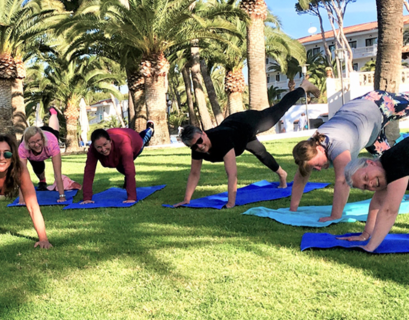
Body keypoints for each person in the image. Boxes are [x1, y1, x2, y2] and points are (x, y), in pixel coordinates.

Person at [174, 79, 320, 208]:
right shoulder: (196, 148)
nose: (199, 146)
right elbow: (194, 173)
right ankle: (282, 174)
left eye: (200, 141)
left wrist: (231, 203)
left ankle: (303, 87)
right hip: (239, 137)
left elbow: (232, 174)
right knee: (261, 152)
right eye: (194, 146)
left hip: (246, 123)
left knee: (279, 110)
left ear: (203, 133)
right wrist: (187, 199)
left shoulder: (222, 140)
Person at [291, 85, 409, 222]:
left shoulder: (338, 147)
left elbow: (342, 181)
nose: (317, 169)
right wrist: (293, 210)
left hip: (377, 104)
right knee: (393, 169)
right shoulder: (308, 147)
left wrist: (335, 216)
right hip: (371, 135)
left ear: (320, 149)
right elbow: (301, 178)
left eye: (316, 164)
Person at [340, 136, 409, 251]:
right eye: (366, 186)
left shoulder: (395, 162)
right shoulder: (386, 167)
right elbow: (377, 203)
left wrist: (370, 246)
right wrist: (365, 235)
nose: (370, 184)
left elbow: (389, 210)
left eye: (366, 177)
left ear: (371, 162)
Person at [81, 122, 154, 204]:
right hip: (120, 137)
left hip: (134, 141)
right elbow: (89, 172)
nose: (103, 149)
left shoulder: (123, 142)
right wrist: (87, 198)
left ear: (110, 141)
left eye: (105, 144)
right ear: (94, 146)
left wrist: (131, 198)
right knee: (120, 165)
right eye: (99, 147)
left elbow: (130, 170)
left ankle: (150, 129)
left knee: (143, 139)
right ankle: (128, 183)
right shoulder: (92, 150)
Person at [17, 107, 68, 203]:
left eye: (38, 141)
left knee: (55, 131)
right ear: (27, 143)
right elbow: (21, 174)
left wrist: (62, 196)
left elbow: (57, 174)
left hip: (49, 133)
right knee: (38, 168)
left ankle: (53, 114)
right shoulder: (23, 148)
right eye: (32, 142)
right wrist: (21, 199)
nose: (36, 145)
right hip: (34, 147)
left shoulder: (51, 144)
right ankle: (42, 180)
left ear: (42, 139)